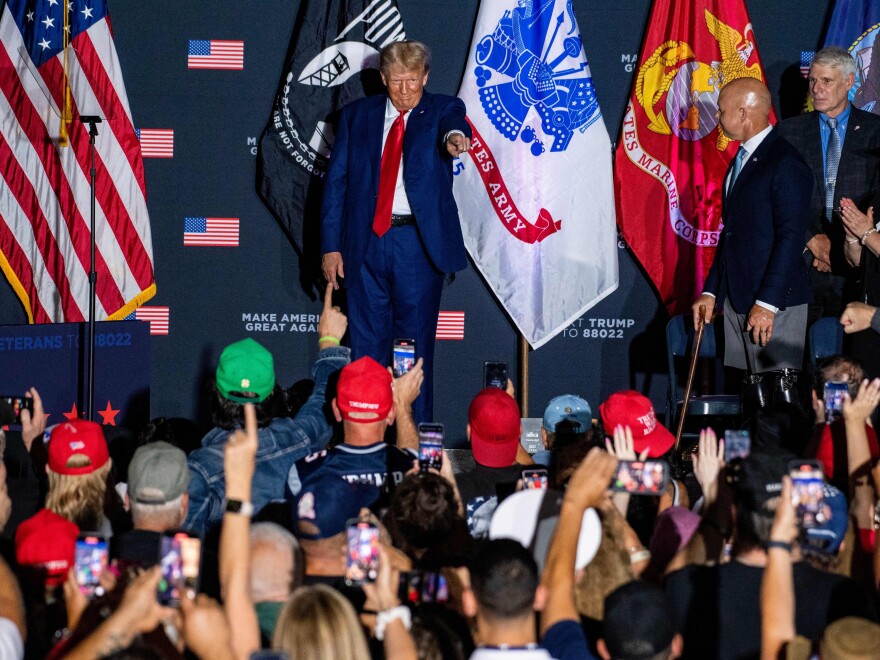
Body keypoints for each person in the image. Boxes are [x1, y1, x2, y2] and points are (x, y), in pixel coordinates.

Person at [320, 39, 471, 424]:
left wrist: (455, 139)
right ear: (383, 77)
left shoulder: (441, 109)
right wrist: (331, 246)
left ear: (426, 76)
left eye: (413, 81)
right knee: (366, 349)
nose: (405, 91)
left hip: (416, 247)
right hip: (365, 245)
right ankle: (364, 437)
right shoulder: (356, 116)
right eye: (397, 82)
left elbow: (455, 125)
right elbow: (335, 184)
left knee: (414, 350)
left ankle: (417, 452)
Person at [185, 284, 349, 532]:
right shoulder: (299, 439)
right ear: (273, 395)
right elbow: (323, 401)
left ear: (215, 395)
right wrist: (329, 341)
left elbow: (185, 550)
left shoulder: (198, 469)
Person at [692, 77, 813, 374]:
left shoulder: (785, 162)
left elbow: (791, 237)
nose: (717, 117)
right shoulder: (741, 159)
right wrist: (711, 291)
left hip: (774, 306)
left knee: (777, 407)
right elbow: (731, 234)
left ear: (744, 113)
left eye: (721, 111)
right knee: (749, 404)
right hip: (738, 300)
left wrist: (768, 304)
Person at [777, 46, 880, 323]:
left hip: (858, 268)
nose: (816, 89)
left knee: (848, 363)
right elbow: (779, 195)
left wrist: (843, 246)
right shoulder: (789, 132)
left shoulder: (875, 132)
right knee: (796, 359)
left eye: (826, 81)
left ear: (848, 81)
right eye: (812, 80)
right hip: (803, 265)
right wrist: (812, 239)